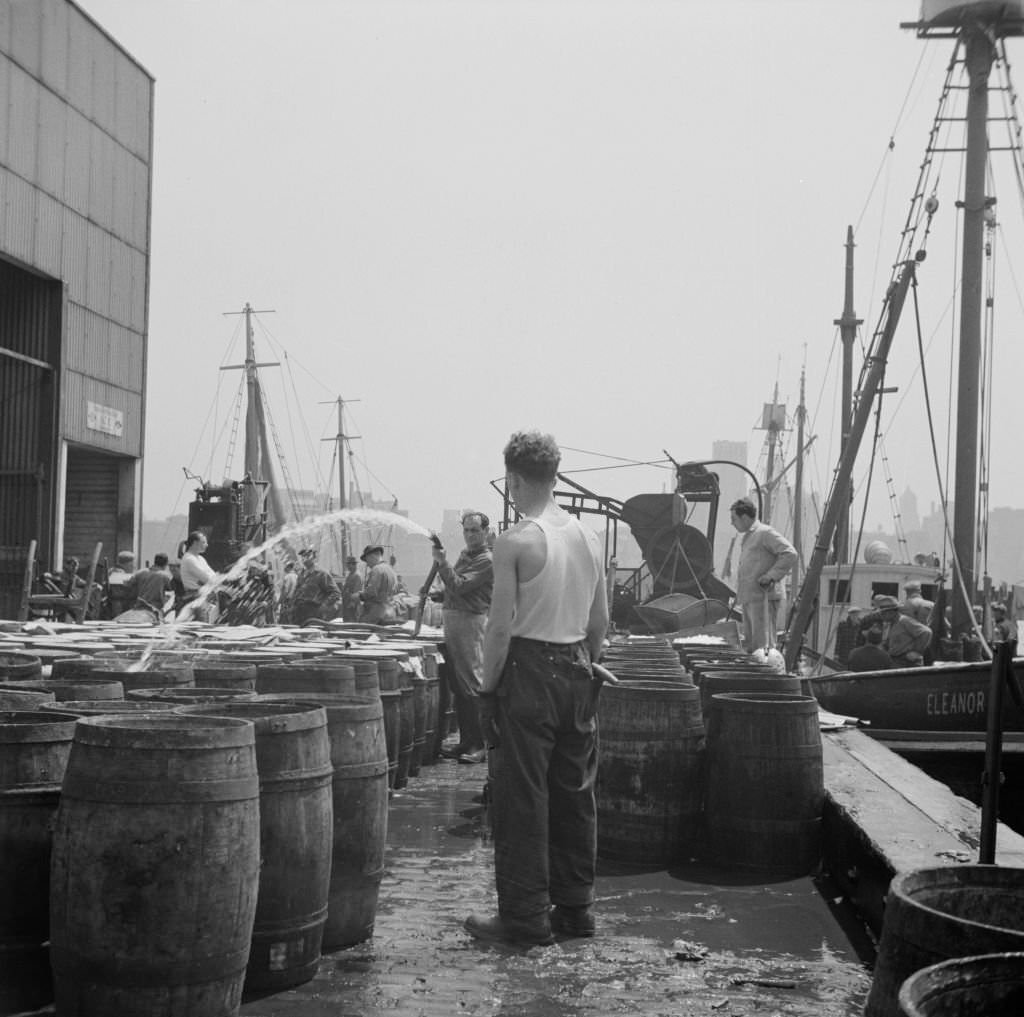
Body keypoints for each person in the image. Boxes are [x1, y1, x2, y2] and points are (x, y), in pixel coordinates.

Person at [464, 430, 609, 947]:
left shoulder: (517, 541)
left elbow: (499, 630)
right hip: (577, 670)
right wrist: (588, 663)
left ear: (514, 479)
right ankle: (575, 910)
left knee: (523, 799)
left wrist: (487, 691)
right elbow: (600, 623)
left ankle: (524, 918)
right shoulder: (590, 539)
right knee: (576, 796)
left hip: (529, 673)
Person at [434, 511, 494, 765]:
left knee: (472, 682)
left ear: (485, 532)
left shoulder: (486, 560)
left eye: (474, 531)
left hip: (470, 622)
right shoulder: (465, 556)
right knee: (460, 684)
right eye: (467, 531)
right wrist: (442, 595)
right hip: (455, 619)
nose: (470, 535)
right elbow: (455, 588)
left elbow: (459, 585)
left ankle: (480, 744)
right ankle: (467, 741)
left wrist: (442, 563)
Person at [728, 498, 798, 653]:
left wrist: (771, 576)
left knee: (763, 645)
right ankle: (755, 673)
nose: (732, 523)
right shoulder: (749, 536)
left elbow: (790, 553)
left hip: (763, 597)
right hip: (750, 597)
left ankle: (766, 672)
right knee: (752, 645)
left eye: (734, 519)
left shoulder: (765, 533)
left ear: (745, 518)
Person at [876, 595, 932, 667]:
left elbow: (926, 632)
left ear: (891, 612)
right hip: (896, 660)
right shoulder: (890, 624)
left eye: (883, 613)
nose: (881, 615)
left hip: (907, 662)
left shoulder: (904, 621)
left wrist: (917, 651)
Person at [291, 547, 341, 625]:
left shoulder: (321, 574)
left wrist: (324, 606)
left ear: (314, 558)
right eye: (303, 556)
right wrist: (293, 605)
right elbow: (297, 591)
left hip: (314, 613)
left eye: (307, 556)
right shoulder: (301, 574)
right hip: (299, 613)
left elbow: (336, 593)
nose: (305, 559)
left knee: (312, 635)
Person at [179, 531, 219, 621]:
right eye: (204, 542)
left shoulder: (200, 558)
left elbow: (213, 575)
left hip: (202, 596)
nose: (207, 545)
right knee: (201, 626)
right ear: (194, 543)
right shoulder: (189, 559)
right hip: (195, 597)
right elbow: (207, 578)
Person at [359, 544, 398, 624]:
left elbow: (371, 592)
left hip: (375, 614)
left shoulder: (376, 569)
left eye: (367, 560)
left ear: (372, 556)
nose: (367, 564)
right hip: (390, 612)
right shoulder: (391, 570)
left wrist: (359, 595)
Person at [128, 553, 174, 617]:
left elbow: (129, 583)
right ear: (166, 564)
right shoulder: (165, 576)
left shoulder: (141, 572)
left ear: (154, 561)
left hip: (139, 605)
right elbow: (172, 588)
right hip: (155, 608)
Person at [105, 550, 136, 618]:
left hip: (115, 600)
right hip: (118, 602)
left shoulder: (111, 570)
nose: (133, 566)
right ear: (127, 563)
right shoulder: (119, 572)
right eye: (132, 563)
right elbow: (123, 587)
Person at [342, 556, 363, 620]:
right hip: (346, 603)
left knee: (352, 623)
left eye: (349, 564)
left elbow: (357, 591)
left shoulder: (357, 576)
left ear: (354, 565)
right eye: (347, 564)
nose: (348, 566)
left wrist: (352, 603)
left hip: (353, 605)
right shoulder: (350, 575)